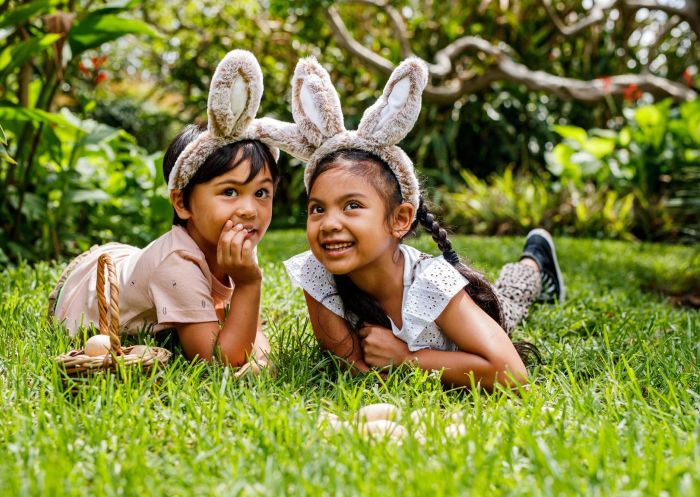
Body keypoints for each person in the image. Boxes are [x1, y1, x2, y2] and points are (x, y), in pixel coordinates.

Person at [270, 56, 565, 388]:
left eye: (352, 205)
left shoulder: (431, 283)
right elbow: (354, 365)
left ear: (399, 220)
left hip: (477, 314)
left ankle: (534, 261)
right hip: (447, 336)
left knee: (510, 297)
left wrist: (406, 360)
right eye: (317, 209)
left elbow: (512, 374)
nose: (329, 223)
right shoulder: (318, 271)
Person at [48, 50, 281, 368]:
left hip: (130, 261)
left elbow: (247, 330)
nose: (249, 209)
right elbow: (217, 360)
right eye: (230, 191)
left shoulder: (224, 247)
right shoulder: (176, 266)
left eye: (262, 193)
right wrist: (248, 284)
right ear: (182, 203)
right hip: (84, 292)